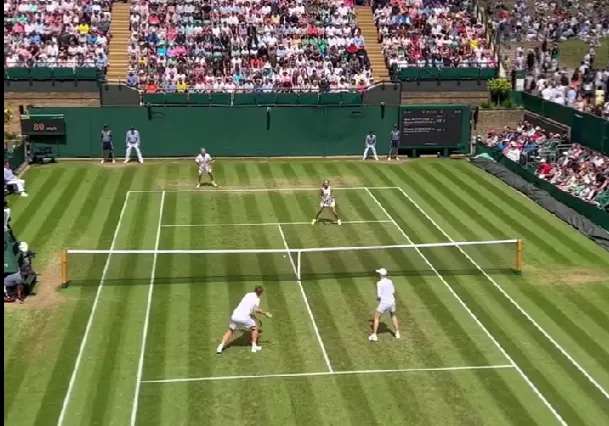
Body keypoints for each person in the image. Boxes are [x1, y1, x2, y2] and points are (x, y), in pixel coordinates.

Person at [217, 285, 272, 354]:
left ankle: (220, 346)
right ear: (260, 293)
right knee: (255, 327)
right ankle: (254, 347)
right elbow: (255, 310)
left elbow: (248, 306)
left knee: (230, 330)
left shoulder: (248, 294)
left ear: (254, 290)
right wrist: (264, 313)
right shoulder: (257, 299)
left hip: (235, 315)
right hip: (243, 318)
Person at [369, 268, 400, 342]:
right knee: (393, 315)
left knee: (376, 318)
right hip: (392, 301)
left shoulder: (379, 283)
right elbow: (393, 291)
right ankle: (397, 332)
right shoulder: (390, 281)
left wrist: (378, 299)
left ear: (380, 275)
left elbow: (379, 296)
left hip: (384, 303)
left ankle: (374, 335)